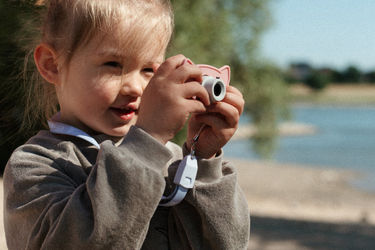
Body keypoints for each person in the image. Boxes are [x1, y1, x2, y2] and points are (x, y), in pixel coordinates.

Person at [3, 0, 250, 249]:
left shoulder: (171, 159)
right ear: (51, 64)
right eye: (113, 65)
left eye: (149, 70)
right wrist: (148, 139)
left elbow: (225, 244)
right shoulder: (35, 164)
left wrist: (202, 161)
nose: (135, 87)